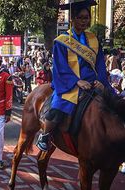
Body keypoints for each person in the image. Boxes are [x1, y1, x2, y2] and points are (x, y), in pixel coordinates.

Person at [36, 0, 113, 151]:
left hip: (93, 81)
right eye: (81, 17)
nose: (84, 21)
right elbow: (60, 67)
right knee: (59, 106)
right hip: (70, 82)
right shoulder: (62, 41)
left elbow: (100, 64)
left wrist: (100, 81)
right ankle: (45, 135)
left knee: (115, 101)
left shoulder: (93, 39)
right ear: (73, 19)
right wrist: (77, 82)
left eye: (87, 17)